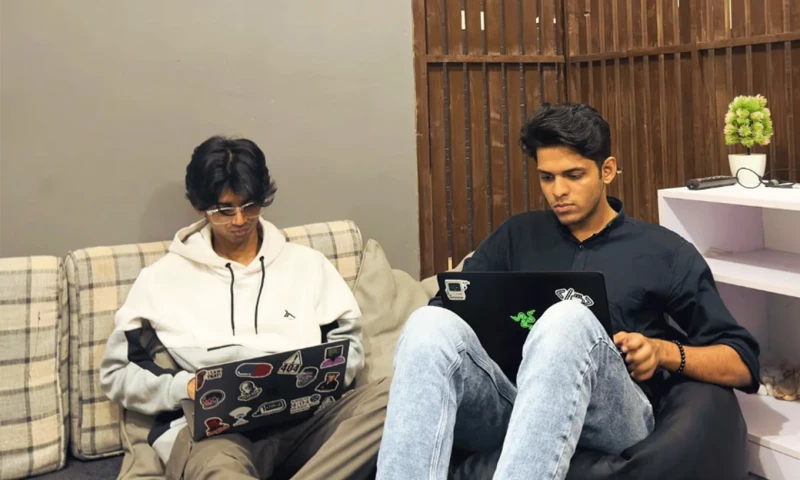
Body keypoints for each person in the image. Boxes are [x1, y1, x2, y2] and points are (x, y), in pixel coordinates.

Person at [376, 103, 760, 480]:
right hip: (514, 407)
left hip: (614, 419)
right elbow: (450, 315)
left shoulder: (664, 252)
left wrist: (661, 352)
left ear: (607, 170)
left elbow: (742, 362)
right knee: (427, 322)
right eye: (547, 178)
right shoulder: (516, 236)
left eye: (573, 176)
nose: (558, 191)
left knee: (568, 317)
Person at [100, 136, 388, 480]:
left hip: (307, 423)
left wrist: (318, 380)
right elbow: (117, 373)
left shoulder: (308, 265)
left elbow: (348, 349)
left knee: (395, 397)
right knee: (219, 468)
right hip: (216, 435)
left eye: (250, 206)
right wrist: (186, 387)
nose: (239, 220)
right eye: (225, 210)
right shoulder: (161, 278)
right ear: (200, 207)